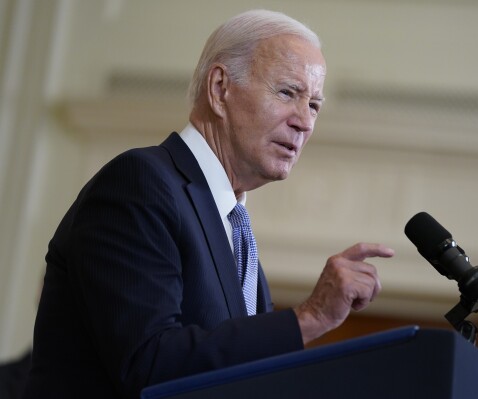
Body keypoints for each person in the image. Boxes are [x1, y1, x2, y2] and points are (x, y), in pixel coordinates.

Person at [23, 9, 394, 399]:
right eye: (288, 93)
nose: (304, 121)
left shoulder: (236, 231)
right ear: (220, 89)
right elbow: (148, 365)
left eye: (314, 105)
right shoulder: (139, 183)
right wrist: (310, 317)